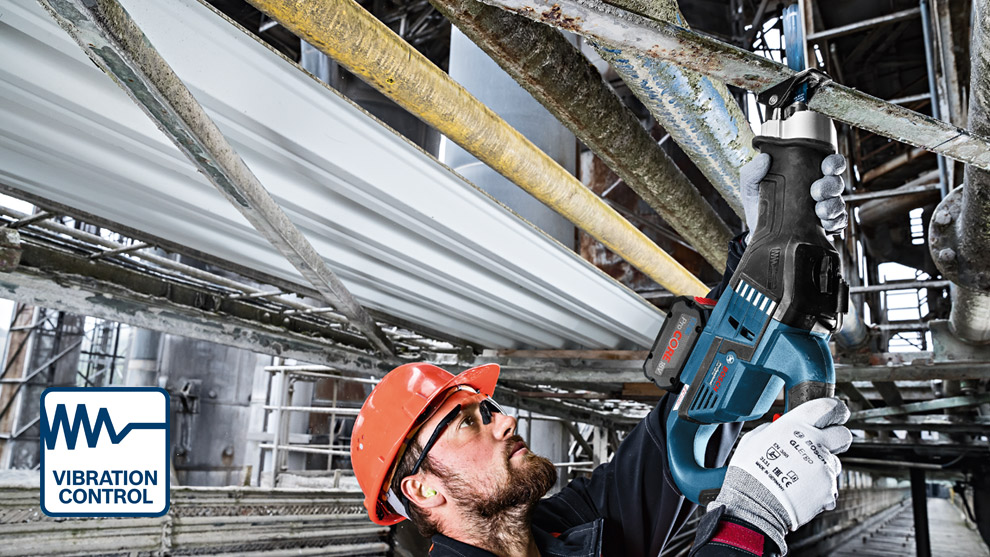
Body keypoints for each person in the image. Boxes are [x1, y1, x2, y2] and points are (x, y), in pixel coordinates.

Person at [349, 153, 852, 557]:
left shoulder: (566, 528)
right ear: (422, 491)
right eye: (467, 423)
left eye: (488, 410)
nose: (504, 423)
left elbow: (688, 420)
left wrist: (763, 257)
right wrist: (749, 520)